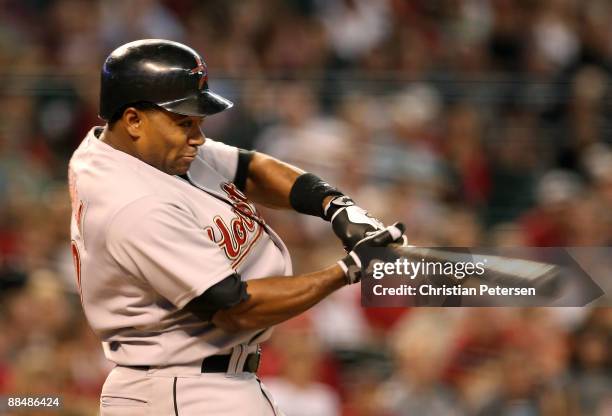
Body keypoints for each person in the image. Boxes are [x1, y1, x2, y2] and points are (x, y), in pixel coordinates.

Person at [68, 39, 404, 416]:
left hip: (199, 383)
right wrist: (346, 271)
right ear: (133, 119)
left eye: (198, 122)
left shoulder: (142, 151)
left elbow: (248, 168)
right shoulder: (133, 204)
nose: (198, 137)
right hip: (182, 389)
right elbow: (236, 308)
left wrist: (335, 206)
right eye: (184, 122)